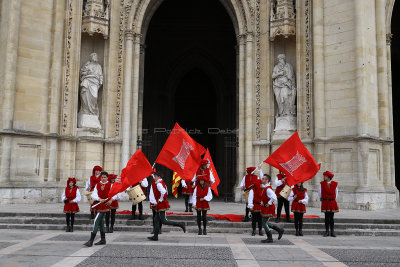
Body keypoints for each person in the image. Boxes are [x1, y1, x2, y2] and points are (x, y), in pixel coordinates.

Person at [148, 171, 186, 241]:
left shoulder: (159, 184)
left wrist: (160, 199)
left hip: (161, 203)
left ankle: (180, 224)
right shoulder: (161, 182)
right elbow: (166, 191)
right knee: (156, 219)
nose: (154, 178)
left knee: (164, 221)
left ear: (159, 177)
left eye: (155, 176)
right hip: (159, 203)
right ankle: (155, 236)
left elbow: (164, 192)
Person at [84, 171, 118, 247]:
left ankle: (91, 240)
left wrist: (111, 200)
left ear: (107, 178)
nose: (103, 179)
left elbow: (117, 193)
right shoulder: (97, 185)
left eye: (105, 177)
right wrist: (99, 199)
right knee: (101, 222)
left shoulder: (111, 185)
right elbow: (93, 195)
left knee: (96, 220)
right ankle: (103, 239)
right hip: (98, 204)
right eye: (102, 177)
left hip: (105, 205)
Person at [260, 173, 284, 243]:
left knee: (264, 223)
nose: (262, 179)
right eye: (262, 178)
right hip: (266, 207)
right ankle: (279, 230)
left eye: (263, 179)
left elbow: (274, 197)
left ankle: (270, 238)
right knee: (265, 222)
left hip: (269, 208)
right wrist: (263, 202)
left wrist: (269, 203)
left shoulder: (268, 189)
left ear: (267, 180)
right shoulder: (266, 188)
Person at [319, 171, 339, 237]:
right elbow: (320, 193)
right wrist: (323, 198)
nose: (324, 177)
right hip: (325, 202)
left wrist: (332, 199)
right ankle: (327, 231)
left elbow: (336, 193)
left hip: (332, 202)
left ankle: (332, 231)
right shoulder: (321, 184)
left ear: (329, 177)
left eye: (325, 176)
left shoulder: (334, 184)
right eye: (324, 176)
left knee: (331, 217)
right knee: (326, 217)